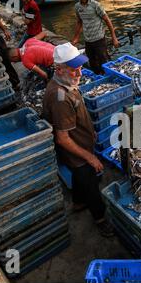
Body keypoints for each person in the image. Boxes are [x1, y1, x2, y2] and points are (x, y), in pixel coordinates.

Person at [42, 42, 114, 237]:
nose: (80, 74)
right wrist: (90, 158)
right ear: (59, 69)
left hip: (81, 142)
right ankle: (100, 219)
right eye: (74, 70)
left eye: (80, 68)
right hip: (76, 151)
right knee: (91, 183)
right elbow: (63, 139)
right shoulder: (60, 97)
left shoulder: (66, 82)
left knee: (78, 177)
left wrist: (90, 132)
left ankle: (78, 202)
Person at [71, 0, 119, 74]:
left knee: (104, 61)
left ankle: (110, 76)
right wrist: (76, 37)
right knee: (92, 62)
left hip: (99, 40)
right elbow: (79, 22)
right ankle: (98, 77)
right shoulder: (77, 7)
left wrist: (114, 38)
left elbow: (107, 20)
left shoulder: (96, 5)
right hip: (88, 40)